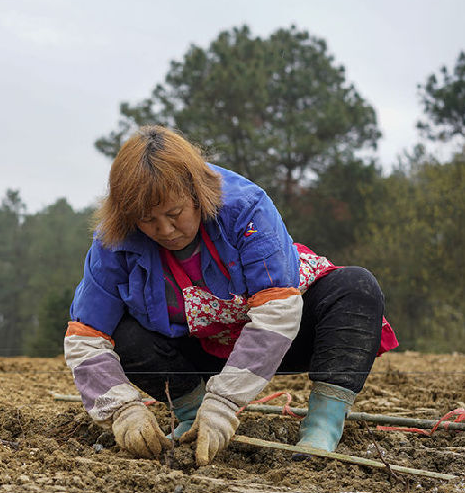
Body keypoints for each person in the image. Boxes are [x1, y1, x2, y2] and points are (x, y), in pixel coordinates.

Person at [64, 125, 397, 466]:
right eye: (148, 221)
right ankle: (192, 415)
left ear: (195, 193)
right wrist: (121, 410)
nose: (165, 231)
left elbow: (278, 311)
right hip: (196, 351)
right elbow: (85, 335)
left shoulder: (246, 207)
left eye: (174, 214)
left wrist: (224, 404)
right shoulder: (114, 238)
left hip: (283, 336)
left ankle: (322, 425)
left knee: (356, 288)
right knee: (123, 332)